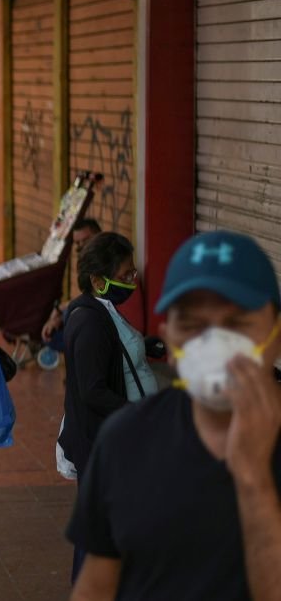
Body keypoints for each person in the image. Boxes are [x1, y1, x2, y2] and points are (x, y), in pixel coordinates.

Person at [70, 231, 281, 601]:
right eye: (194, 324)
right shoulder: (125, 439)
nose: (215, 343)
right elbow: (95, 588)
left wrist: (254, 482)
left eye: (237, 323)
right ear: (169, 338)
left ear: (275, 335)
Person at [56, 231, 154, 579]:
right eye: (126, 275)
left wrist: (147, 347)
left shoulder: (102, 311)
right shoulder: (89, 321)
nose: (132, 281)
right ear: (98, 281)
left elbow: (113, 354)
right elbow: (92, 390)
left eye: (133, 272)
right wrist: (138, 413)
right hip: (102, 443)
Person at [40, 218, 103, 346]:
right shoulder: (86, 263)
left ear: (99, 236)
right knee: (51, 333)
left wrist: (61, 311)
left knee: (59, 329)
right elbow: (86, 297)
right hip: (90, 316)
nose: (81, 246)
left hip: (100, 325)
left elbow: (95, 301)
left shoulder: (105, 263)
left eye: (86, 240)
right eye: (77, 243)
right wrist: (59, 311)